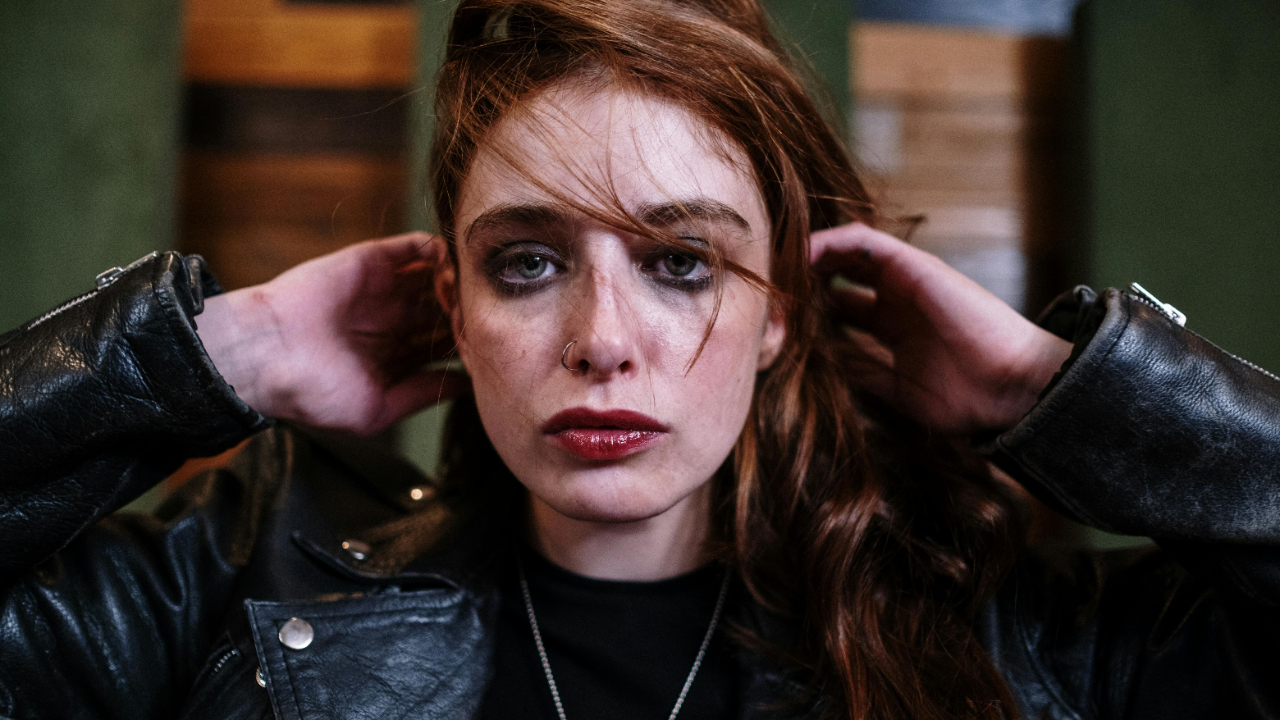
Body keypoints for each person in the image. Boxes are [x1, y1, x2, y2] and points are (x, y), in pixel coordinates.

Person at [2, 1, 1278, 718]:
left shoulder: (1016, 644)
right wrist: (216, 353)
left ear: (780, 306)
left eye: (681, 263)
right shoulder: (234, 581)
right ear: (450, 298)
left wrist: (1050, 394)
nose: (601, 341)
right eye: (525, 262)